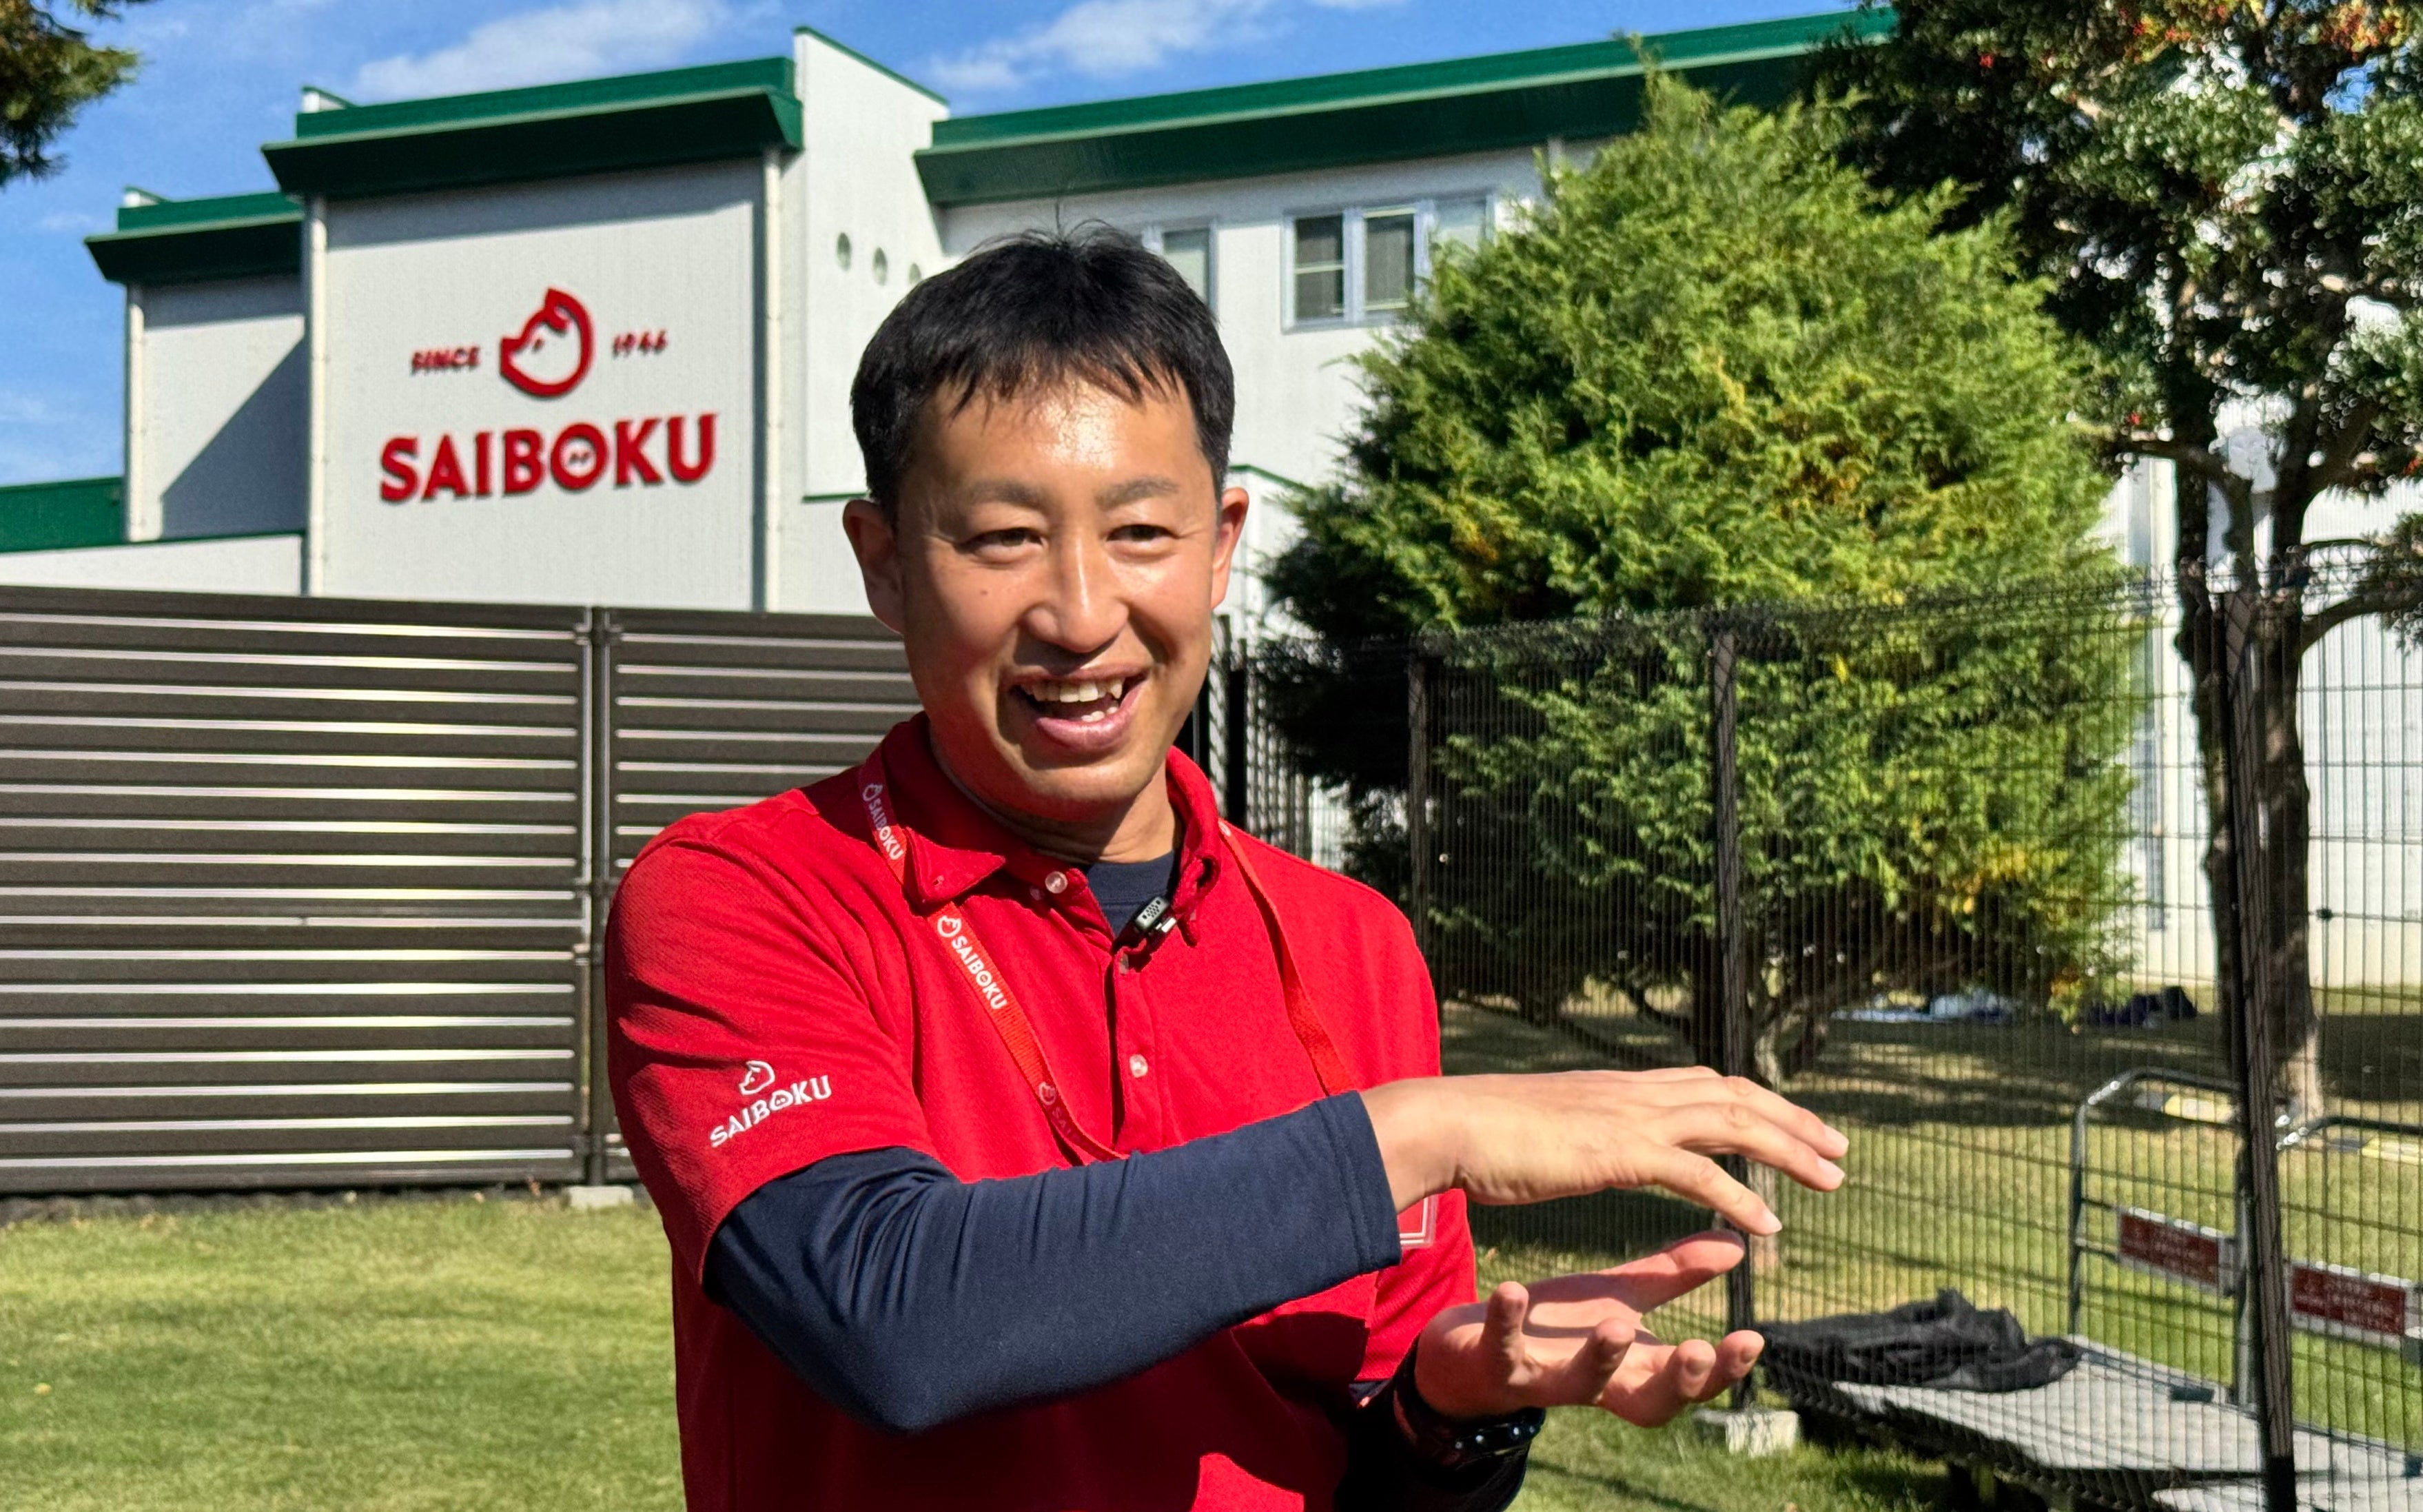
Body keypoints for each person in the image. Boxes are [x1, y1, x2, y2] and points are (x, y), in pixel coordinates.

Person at [604, 227, 1848, 1512]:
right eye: (1003, 538)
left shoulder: (1352, 944)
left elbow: (1371, 1477)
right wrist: (1412, 1133)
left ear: (1222, 542)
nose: (1082, 613)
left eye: (1141, 529)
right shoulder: (740, 897)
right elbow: (890, 1316)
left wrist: (1452, 1414)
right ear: (883, 561)